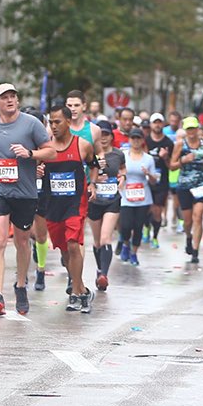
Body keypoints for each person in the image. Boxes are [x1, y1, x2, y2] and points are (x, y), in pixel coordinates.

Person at [0, 83, 55, 316]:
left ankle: (21, 285)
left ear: (17, 101)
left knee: (22, 241)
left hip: (24, 192)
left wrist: (30, 154)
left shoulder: (32, 124)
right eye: (4, 97)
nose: (10, 100)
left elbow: (51, 152)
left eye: (13, 96)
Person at [39, 106, 96, 312]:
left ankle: (78, 292)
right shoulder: (45, 149)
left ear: (68, 122)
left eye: (57, 122)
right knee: (64, 252)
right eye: (51, 122)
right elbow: (37, 170)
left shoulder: (82, 145)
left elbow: (94, 164)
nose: (53, 126)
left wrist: (92, 183)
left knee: (74, 245)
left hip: (75, 204)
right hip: (53, 205)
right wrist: (38, 171)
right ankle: (80, 287)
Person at [87, 121, 125, 291]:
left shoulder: (118, 154)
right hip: (94, 201)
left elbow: (123, 169)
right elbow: (83, 172)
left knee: (105, 238)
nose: (103, 138)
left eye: (107, 134)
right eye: (100, 134)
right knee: (96, 241)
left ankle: (104, 275)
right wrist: (93, 181)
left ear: (111, 136)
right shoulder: (90, 153)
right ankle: (99, 268)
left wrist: (122, 177)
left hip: (112, 199)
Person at [170, 117, 203, 264]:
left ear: (198, 129)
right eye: (188, 129)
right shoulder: (180, 144)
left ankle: (195, 251)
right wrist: (183, 161)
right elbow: (172, 165)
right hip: (184, 185)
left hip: (200, 185)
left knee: (198, 216)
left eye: (193, 129)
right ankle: (188, 237)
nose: (191, 132)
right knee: (187, 221)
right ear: (185, 130)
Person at [119, 128, 157, 266]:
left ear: (142, 140)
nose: (135, 141)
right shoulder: (123, 155)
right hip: (126, 197)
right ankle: (125, 244)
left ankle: (134, 253)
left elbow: (153, 181)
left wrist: (149, 174)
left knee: (138, 227)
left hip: (143, 198)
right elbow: (117, 172)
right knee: (125, 225)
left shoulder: (149, 159)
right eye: (133, 138)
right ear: (129, 140)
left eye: (138, 138)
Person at [145, 113, 174, 248]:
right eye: (154, 122)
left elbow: (172, 166)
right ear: (151, 125)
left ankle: (155, 236)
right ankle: (146, 227)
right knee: (147, 210)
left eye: (159, 122)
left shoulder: (168, 143)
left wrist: (166, 157)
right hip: (146, 181)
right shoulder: (145, 141)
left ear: (163, 124)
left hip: (161, 182)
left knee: (157, 211)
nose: (157, 125)